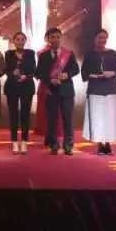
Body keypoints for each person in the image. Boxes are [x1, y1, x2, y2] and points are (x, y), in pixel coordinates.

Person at [35, 27, 79, 155]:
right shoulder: (43, 56)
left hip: (66, 90)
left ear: (61, 38)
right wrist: (50, 81)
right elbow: (39, 73)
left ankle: (68, 145)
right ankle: (54, 144)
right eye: (52, 37)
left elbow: (76, 69)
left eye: (58, 37)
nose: (55, 39)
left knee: (68, 119)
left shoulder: (69, 54)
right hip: (51, 90)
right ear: (47, 39)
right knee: (52, 119)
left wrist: (67, 74)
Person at [81, 29, 116, 155]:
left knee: (110, 117)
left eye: (104, 37)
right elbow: (84, 73)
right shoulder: (89, 54)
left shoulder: (112, 53)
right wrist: (94, 76)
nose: (102, 40)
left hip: (110, 89)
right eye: (99, 37)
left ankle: (108, 143)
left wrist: (112, 73)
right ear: (95, 39)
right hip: (95, 89)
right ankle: (100, 143)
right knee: (97, 118)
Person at [4, 32, 36, 154]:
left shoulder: (30, 53)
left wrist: (26, 76)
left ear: (25, 41)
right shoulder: (8, 54)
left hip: (26, 86)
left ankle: (24, 142)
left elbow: (33, 69)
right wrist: (13, 74)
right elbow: (7, 70)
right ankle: (14, 142)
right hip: (12, 86)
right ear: (14, 41)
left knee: (25, 115)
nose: (20, 41)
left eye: (22, 39)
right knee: (13, 115)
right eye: (17, 39)